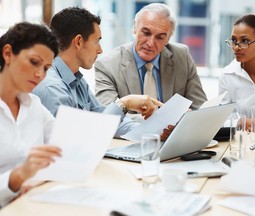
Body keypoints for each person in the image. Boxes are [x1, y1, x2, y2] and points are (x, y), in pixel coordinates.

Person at [33, 7, 164, 139]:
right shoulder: (52, 87)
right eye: (97, 41)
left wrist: (156, 131)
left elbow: (104, 120)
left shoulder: (75, 80)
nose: (100, 50)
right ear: (78, 42)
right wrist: (124, 103)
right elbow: (85, 138)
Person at [94, 3, 207, 110]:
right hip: (132, 130)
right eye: (146, 33)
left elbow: (200, 106)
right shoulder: (108, 65)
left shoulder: (182, 56)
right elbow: (107, 113)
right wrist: (167, 121)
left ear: (168, 38)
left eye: (160, 37)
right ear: (134, 27)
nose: (151, 43)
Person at [0, 22, 60, 207]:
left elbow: (63, 145)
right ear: (8, 53)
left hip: (31, 203)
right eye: (34, 62)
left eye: (46, 68)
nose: (39, 74)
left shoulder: (34, 105)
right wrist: (16, 178)